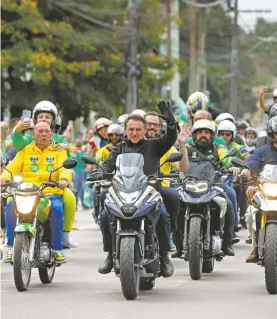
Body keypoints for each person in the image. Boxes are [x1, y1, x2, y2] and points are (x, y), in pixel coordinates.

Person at [91, 101, 178, 277]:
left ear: (145, 131)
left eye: (138, 129)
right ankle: (110, 254)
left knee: (162, 215)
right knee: (105, 215)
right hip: (124, 191)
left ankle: (164, 256)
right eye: (131, 129)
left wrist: (171, 124)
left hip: (149, 192)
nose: (134, 133)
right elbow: (108, 164)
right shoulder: (120, 148)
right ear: (126, 130)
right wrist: (100, 171)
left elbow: (170, 138)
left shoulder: (154, 146)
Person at [0, 122, 72, 263]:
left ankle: (57, 249)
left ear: (51, 134)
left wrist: (63, 179)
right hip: (27, 192)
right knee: (9, 207)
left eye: (46, 131)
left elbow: (65, 168)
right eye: (40, 131)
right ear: (33, 135)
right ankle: (9, 245)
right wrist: (4, 178)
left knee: (57, 209)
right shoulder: (25, 150)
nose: (44, 134)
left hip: (50, 192)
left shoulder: (59, 150)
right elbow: (12, 167)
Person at [11, 101, 78, 248]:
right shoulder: (29, 136)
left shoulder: (59, 140)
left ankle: (64, 235)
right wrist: (17, 130)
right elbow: (18, 145)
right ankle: (11, 243)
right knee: (10, 202)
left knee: (69, 199)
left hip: (54, 184)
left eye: (47, 117)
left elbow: (66, 161)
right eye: (40, 116)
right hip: (29, 186)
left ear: (53, 121)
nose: (43, 119)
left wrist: (64, 178)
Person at [174, 119, 239, 257]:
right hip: (188, 184)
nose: (203, 135)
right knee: (175, 205)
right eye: (199, 133)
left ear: (212, 135)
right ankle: (178, 245)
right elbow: (178, 160)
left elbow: (226, 160)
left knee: (228, 204)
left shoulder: (218, 149)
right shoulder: (187, 148)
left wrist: (231, 166)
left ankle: (227, 242)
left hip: (213, 184)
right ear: (194, 135)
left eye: (206, 133)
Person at [144, 111, 190, 251]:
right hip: (133, 190)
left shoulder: (166, 147)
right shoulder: (131, 145)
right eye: (148, 124)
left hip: (158, 191)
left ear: (160, 127)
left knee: (167, 209)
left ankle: (168, 239)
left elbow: (183, 167)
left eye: (155, 125)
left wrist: (181, 145)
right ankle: (113, 251)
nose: (152, 127)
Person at [241, 116, 277, 263]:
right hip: (264, 190)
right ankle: (256, 248)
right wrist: (245, 172)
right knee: (250, 214)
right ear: (270, 134)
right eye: (276, 134)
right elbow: (251, 163)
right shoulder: (262, 150)